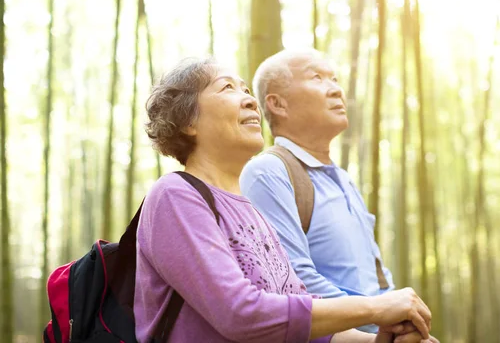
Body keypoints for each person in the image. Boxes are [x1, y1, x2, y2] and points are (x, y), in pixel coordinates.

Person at [134, 57, 433, 343]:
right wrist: (376, 309)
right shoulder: (174, 195)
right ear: (188, 121)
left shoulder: (253, 213)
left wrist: (379, 339)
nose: (250, 100)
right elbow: (240, 313)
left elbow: (298, 320)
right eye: (227, 88)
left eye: (247, 90)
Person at [240, 49, 422, 336]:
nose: (336, 89)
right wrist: (377, 329)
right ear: (278, 104)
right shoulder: (268, 172)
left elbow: (377, 278)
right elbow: (294, 282)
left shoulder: (344, 180)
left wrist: (407, 327)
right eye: (317, 77)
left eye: (335, 79)